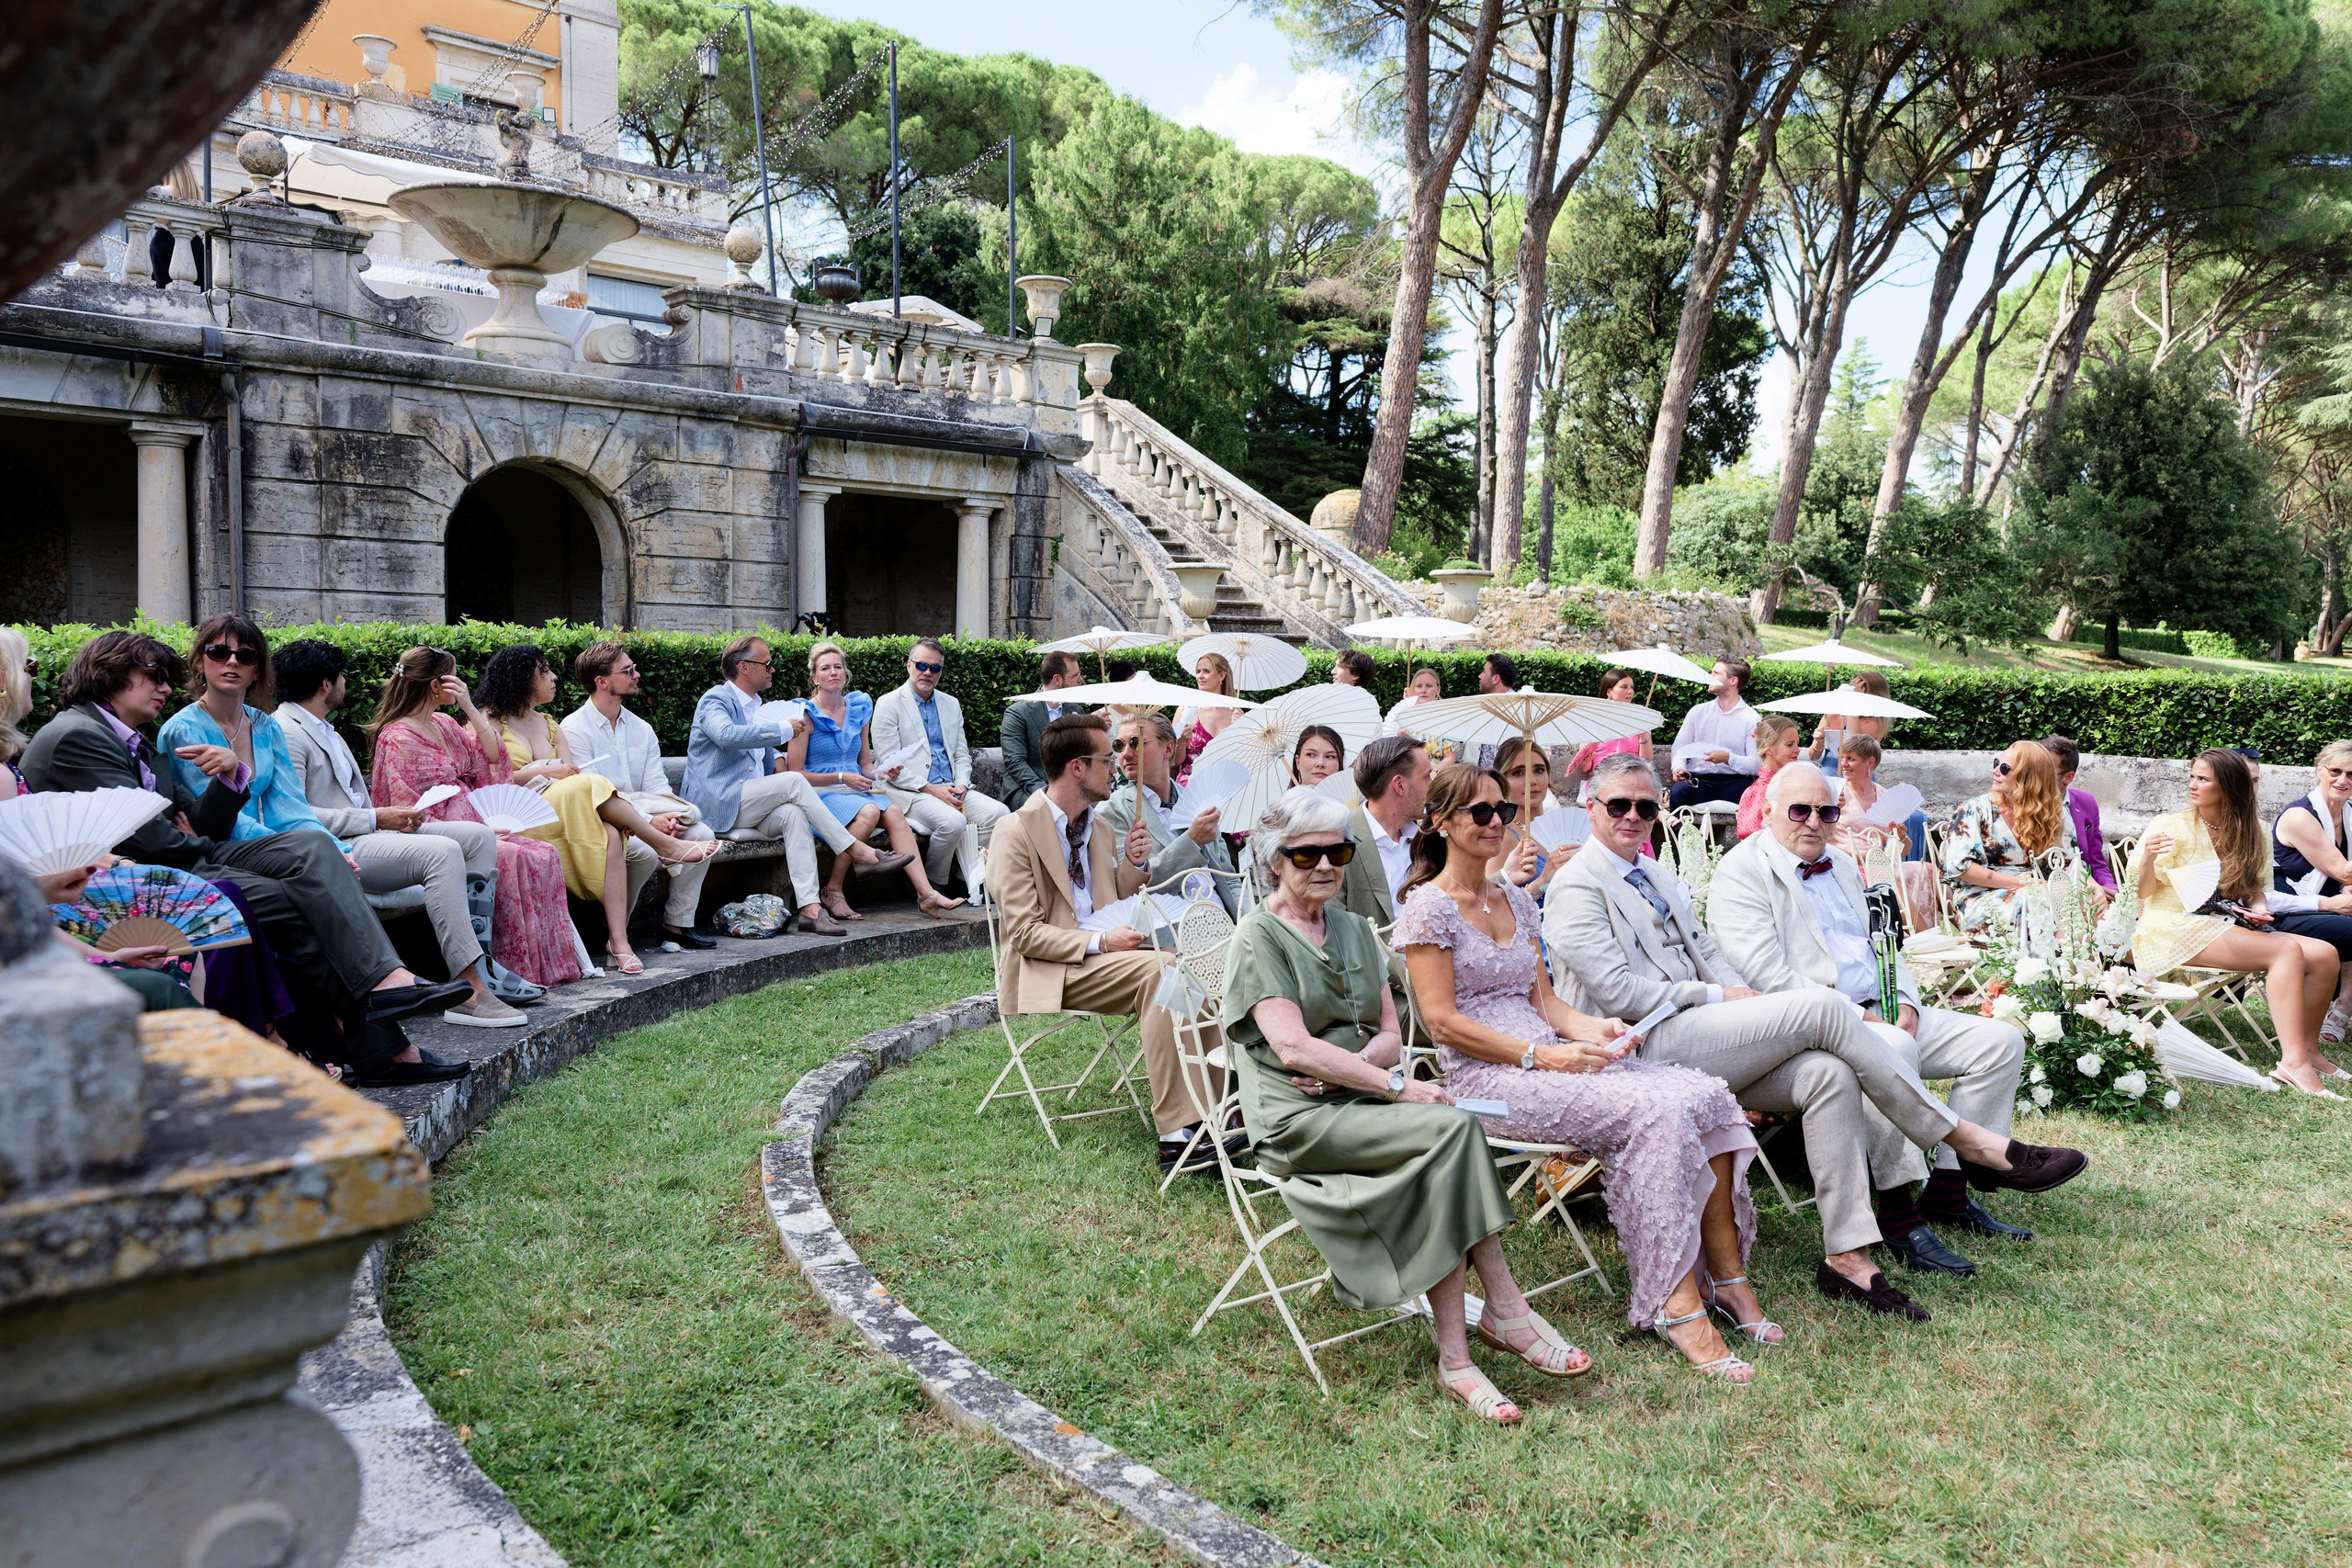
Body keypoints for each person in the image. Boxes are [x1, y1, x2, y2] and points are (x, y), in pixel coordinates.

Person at [1546, 752, 2086, 1321]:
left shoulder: (1655, 873)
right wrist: (1720, 997)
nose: (1633, 815)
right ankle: (1968, 1142)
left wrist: (1739, 997)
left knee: (1829, 1075)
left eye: (1644, 805)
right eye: (1618, 805)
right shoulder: (1577, 884)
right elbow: (1618, 994)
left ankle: (1848, 1257)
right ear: (1591, 809)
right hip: (1640, 1043)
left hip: (1709, 1030)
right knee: (1829, 1008)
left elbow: (1708, 956)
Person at [1397, 764, 1769, 1381]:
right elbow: (1443, 1024)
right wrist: (1542, 1056)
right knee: (1654, 1112)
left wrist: (1593, 1028)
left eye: (1503, 811)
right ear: (1440, 821)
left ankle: (1727, 1280)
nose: (1497, 822)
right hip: (1487, 1082)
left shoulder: (1515, 896)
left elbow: (1545, 1002)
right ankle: (1676, 1304)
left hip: (1553, 1058)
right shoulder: (1428, 908)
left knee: (1705, 1093)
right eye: (1480, 812)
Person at [1221, 785, 1555, 1424]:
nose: (1324, 865)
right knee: (1451, 1132)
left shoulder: (1349, 926)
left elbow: (1389, 1035)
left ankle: (1460, 1355)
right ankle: (1504, 1313)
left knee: (1447, 1141)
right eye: (1306, 854)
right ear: (1274, 860)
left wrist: (1355, 1069)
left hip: (1355, 1098)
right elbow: (1293, 1050)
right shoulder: (1257, 938)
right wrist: (1392, 1084)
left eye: (1338, 851)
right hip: (1297, 1120)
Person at [26, 632, 471, 1083]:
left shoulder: (132, 739)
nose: (164, 687)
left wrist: (231, 777)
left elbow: (202, 823)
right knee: (299, 900)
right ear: (109, 674)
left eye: (167, 678)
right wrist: (204, 840)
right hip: (119, 886)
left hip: (176, 863)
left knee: (314, 849)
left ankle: (386, 988)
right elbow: (156, 841)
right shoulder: (82, 735)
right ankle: (384, 1047)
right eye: (154, 677)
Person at [1711, 762, 2038, 1276]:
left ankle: (1949, 1189)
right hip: (1812, 1028)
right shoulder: (1740, 871)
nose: (1813, 821)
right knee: (1895, 1048)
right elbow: (1766, 976)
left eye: (1827, 811)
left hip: (1884, 1009)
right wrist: (1858, 1014)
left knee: (1999, 1040)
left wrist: (1904, 999)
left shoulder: (1841, 864)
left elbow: (1884, 944)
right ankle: (1898, 1210)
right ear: (1768, 811)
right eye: (1799, 810)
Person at [985, 713, 1222, 1177]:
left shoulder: (1100, 827)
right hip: (1052, 965)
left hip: (1109, 958)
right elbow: (1025, 934)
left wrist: (1136, 866)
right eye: (1106, 755)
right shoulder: (1015, 830)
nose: (1116, 763)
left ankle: (1216, 1110)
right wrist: (1100, 940)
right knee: (1162, 970)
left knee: (1186, 962)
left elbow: (1114, 897)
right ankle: (1178, 1134)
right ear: (1077, 768)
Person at [271, 637, 531, 1026]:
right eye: (342, 676)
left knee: (480, 838)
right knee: (442, 851)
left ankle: (483, 965)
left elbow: (487, 759)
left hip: (367, 836)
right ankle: (470, 989)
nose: (347, 683)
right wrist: (377, 818)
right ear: (326, 683)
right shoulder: (286, 731)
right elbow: (289, 815)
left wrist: (381, 817)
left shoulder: (321, 728)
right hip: (334, 848)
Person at [477, 646, 720, 976]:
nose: (553, 677)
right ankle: (664, 846)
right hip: (520, 815)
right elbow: (483, 778)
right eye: (545, 671)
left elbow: (573, 774)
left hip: (566, 811)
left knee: (608, 830)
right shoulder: (488, 720)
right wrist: (543, 771)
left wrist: (559, 773)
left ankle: (618, 942)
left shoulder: (550, 724)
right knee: (592, 786)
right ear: (523, 678)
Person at [368, 647, 584, 990]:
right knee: (511, 855)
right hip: (440, 833)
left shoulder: (443, 722)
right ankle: (500, 968)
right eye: (455, 677)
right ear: (438, 685)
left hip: (477, 823)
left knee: (542, 852)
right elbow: (408, 810)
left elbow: (492, 754)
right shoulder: (397, 737)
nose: (462, 684)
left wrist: (469, 705)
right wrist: (479, 832)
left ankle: (542, 968)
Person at [2133, 748, 2343, 1096]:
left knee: (2324, 954)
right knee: (2285, 950)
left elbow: (2255, 890)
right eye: (2192, 777)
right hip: (2169, 924)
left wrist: (2257, 908)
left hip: (2221, 920)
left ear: (2229, 786)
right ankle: (2293, 1065)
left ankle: (2308, 1050)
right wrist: (2147, 860)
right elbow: (2145, 892)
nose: (2192, 785)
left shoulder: (2256, 830)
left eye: (2203, 779)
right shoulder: (2171, 825)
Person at [682, 636, 910, 937]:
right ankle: (857, 851)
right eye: (766, 664)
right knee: (794, 780)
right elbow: (726, 736)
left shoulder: (756, 705)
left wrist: (775, 757)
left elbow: (755, 752)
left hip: (748, 802)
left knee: (793, 814)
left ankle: (811, 910)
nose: (772, 669)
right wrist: (781, 731)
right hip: (720, 802)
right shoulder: (716, 699)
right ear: (744, 667)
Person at [560, 641, 718, 953]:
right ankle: (615, 931)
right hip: (600, 822)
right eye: (628, 670)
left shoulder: (641, 728)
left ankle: (675, 926)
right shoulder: (574, 730)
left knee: (703, 833)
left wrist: (668, 819)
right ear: (602, 682)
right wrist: (649, 821)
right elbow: (591, 797)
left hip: (645, 814)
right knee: (643, 850)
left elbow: (657, 788)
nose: (637, 674)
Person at [788, 640, 964, 920]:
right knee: (870, 810)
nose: (833, 672)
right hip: (821, 791)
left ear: (845, 673)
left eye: (838, 667)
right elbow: (794, 774)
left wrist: (884, 773)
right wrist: (842, 777)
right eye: (825, 668)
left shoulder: (858, 709)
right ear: (815, 677)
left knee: (893, 811)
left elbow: (865, 765)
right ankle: (833, 889)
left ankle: (925, 894)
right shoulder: (804, 715)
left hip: (854, 790)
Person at [869, 637, 1010, 897]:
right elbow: (890, 762)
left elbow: (961, 754)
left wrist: (962, 784)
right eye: (922, 665)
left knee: (1000, 814)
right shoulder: (888, 703)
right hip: (911, 791)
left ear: (940, 672)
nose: (927, 673)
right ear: (908, 665)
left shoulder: (950, 704)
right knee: (953, 823)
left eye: (934, 668)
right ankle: (934, 883)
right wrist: (934, 791)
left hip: (952, 788)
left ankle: (960, 873)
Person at [1940, 741, 2094, 938]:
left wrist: (2091, 887)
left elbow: (2070, 864)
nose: (1996, 771)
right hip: (1982, 900)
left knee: (2086, 904)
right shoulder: (1975, 809)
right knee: (2047, 902)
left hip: (2043, 895)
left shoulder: (2056, 815)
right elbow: (1958, 867)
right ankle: (2068, 964)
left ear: (2029, 776)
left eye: (2004, 768)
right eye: (1997, 763)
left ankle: (2081, 964)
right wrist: (2017, 883)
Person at [1098, 711, 1235, 911]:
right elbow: (1130, 890)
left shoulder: (1197, 799)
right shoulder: (1112, 810)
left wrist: (1248, 921)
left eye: (1136, 742)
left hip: (1225, 919)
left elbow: (1228, 879)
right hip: (1171, 929)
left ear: (1169, 748)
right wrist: (1191, 841)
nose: (1126, 753)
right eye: (1119, 745)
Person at [2267, 738, 2352, 1047]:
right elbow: (2343, 871)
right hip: (2292, 909)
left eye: (2351, 775)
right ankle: (2344, 1006)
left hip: (2337, 906)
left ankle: (2343, 1004)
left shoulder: (2350, 813)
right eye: (2335, 771)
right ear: (2319, 771)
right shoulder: (2300, 816)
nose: (2342, 780)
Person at [1833, 735, 1938, 929]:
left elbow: (1904, 851)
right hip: (1848, 865)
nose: (1843, 764)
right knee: (1887, 879)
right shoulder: (1836, 793)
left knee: (1929, 870)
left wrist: (1901, 837)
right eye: (1843, 758)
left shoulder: (1883, 795)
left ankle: (1955, 927)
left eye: (1851, 759)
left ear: (1869, 762)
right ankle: (1927, 936)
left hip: (1881, 864)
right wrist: (1829, 806)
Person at [1336, 735, 1430, 927]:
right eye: (1427, 776)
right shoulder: (1339, 843)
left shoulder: (1429, 837)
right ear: (1400, 785)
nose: (1433, 784)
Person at [999, 650, 1086, 810]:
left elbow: (1082, 756)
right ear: (1057, 679)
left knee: (1100, 807)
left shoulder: (1076, 711)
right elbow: (1015, 762)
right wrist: (1046, 792)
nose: (1081, 679)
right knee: (1048, 809)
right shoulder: (1018, 712)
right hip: (1026, 789)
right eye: (1075, 676)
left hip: (1069, 788)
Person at [1668, 659, 1759, 810]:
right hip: (1699, 781)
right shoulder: (1698, 711)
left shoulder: (1752, 719)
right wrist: (1679, 767)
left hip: (1735, 783)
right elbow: (1680, 747)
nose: (1709, 675)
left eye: (1715, 673)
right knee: (1679, 791)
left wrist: (1728, 758)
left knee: (1755, 794)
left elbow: (1755, 765)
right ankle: (1679, 834)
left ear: (1732, 681)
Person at [1492, 735, 1581, 887]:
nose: (1532, 781)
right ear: (1502, 780)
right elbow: (1488, 898)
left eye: (1539, 770)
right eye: (1518, 773)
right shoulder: (1502, 835)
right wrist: (1539, 884)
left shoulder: (1562, 828)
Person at [2039, 734, 2115, 891]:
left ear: (2067, 777)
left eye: (2046, 770)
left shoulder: (2086, 802)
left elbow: (2096, 861)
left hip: (2086, 885)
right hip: (2044, 889)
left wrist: (2110, 888)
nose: (2036, 774)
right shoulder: (2023, 805)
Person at [1561, 667, 1651, 799]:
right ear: (1609, 691)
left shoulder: (1640, 719)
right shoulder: (1592, 720)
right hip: (1604, 777)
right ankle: (1661, 813)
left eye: (1632, 687)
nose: (1630, 691)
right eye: (1624, 687)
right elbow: (1585, 768)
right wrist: (1586, 760)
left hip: (1633, 774)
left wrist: (1643, 736)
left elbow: (1647, 761)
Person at [1173, 650, 1240, 784]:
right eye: (1198, 671)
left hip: (1223, 786)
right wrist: (1181, 741)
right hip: (1189, 787)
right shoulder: (1186, 711)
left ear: (1221, 676)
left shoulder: (1236, 713)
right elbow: (1174, 761)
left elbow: (1242, 757)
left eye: (1206, 671)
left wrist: (1239, 730)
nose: (1200, 676)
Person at [1734, 715, 1803, 840]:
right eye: (1789, 744)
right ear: (1769, 749)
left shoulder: (1789, 784)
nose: (1797, 750)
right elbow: (1753, 839)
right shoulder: (1761, 791)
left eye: (1797, 744)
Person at [1804, 671, 1893, 766]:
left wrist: (1853, 701)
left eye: (1856, 688)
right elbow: (1813, 756)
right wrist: (1818, 742)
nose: (1851, 689)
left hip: (1856, 773)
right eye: (1851, 685)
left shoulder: (1874, 724)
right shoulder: (1833, 714)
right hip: (1829, 770)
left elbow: (1854, 747)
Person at [1290, 725, 1347, 789]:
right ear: (1298, 762)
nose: (1320, 763)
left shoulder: (1354, 798)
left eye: (1330, 756)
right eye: (1311, 755)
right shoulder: (1286, 799)